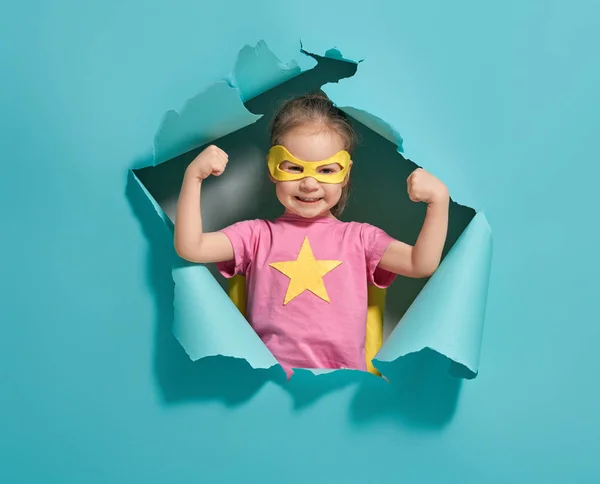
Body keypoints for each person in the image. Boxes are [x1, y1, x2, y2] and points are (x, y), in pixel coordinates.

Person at [174, 92, 449, 375]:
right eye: (293, 167)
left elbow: (421, 263)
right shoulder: (255, 236)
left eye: (326, 170)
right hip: (270, 387)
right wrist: (193, 177)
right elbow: (191, 247)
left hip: (341, 389)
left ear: (345, 174)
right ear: (273, 168)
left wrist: (439, 201)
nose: (308, 183)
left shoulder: (360, 240)